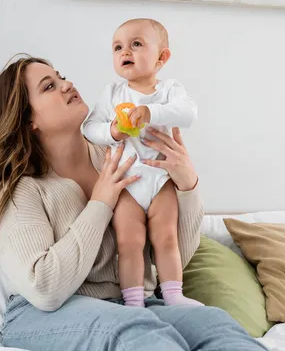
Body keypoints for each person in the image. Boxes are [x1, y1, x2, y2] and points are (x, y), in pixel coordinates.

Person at [0, 55, 268, 351]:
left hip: (134, 305)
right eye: (49, 86)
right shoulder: (19, 189)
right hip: (43, 315)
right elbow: (44, 289)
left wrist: (187, 186)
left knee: (215, 324)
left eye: (61, 76)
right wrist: (100, 204)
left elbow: (174, 253)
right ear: (28, 120)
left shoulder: (122, 155)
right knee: (138, 333)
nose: (67, 85)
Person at [82, 18, 201, 307]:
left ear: (162, 57)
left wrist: (150, 113)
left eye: (136, 44)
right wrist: (112, 131)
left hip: (161, 180)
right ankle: (134, 302)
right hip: (128, 184)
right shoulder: (112, 93)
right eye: (118, 47)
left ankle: (174, 295)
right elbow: (89, 127)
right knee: (129, 243)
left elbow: (188, 114)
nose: (125, 52)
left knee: (167, 237)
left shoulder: (170, 90)